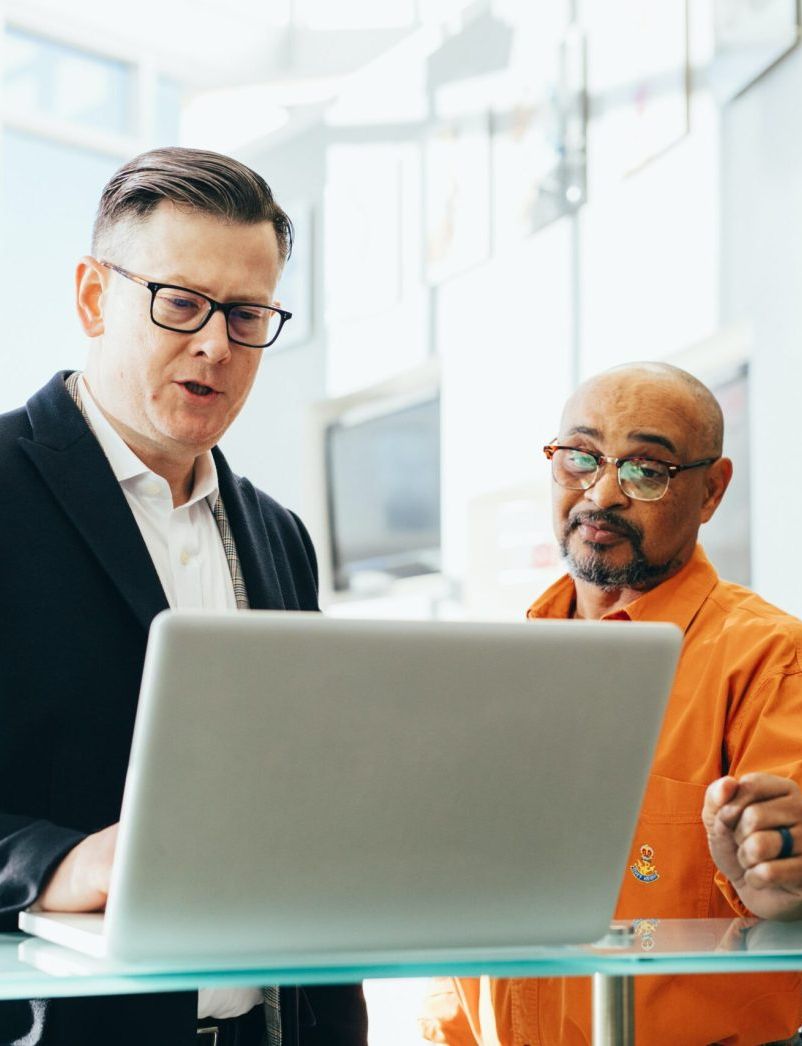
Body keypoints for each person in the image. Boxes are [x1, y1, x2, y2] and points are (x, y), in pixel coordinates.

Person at [0, 147, 367, 1046]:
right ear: (94, 296)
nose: (214, 345)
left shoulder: (278, 535)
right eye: (180, 303)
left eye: (246, 315)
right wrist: (58, 864)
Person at [419, 362, 802, 1045]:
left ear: (711, 490)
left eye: (645, 469)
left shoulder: (771, 658)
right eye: (579, 458)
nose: (601, 493)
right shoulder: (504, 663)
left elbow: (786, 876)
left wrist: (779, 881)